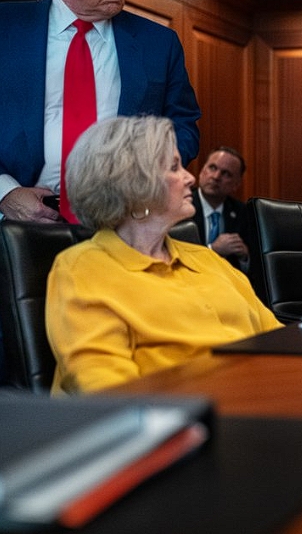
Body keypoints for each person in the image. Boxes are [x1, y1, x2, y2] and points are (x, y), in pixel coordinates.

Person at [45, 116, 281, 394]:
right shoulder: (82, 269)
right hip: (177, 414)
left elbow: (279, 340)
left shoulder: (208, 259)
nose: (190, 178)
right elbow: (106, 388)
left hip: (263, 398)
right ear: (134, 185)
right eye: (174, 167)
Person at [0, 0, 200, 224]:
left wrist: (145, 178)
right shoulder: (6, 27)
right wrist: (5, 193)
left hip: (124, 221)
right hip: (18, 221)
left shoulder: (159, 43)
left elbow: (183, 126)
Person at [192, 146, 249, 270]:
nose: (216, 177)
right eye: (212, 168)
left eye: (226, 174)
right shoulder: (182, 206)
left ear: (236, 184)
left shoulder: (243, 213)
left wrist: (244, 257)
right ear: (202, 171)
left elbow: (252, 267)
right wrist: (212, 250)